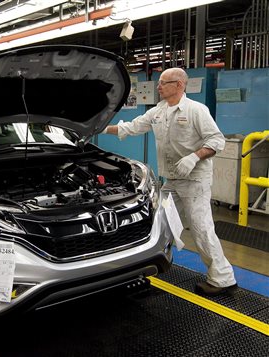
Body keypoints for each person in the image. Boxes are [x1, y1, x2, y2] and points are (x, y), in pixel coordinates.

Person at [101, 68, 237, 296]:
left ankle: (223, 279)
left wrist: (194, 157)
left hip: (194, 181)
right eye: (159, 82)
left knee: (201, 228)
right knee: (159, 222)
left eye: (164, 82)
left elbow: (216, 140)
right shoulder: (158, 111)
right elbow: (132, 127)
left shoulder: (196, 110)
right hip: (172, 181)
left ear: (179, 85)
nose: (158, 86)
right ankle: (150, 264)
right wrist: (101, 128)